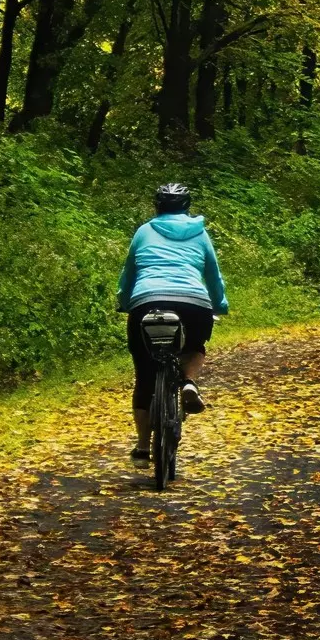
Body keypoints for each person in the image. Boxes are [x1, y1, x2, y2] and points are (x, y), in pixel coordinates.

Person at [117, 183, 229, 463]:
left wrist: (124, 300)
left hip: (147, 301)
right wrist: (220, 304)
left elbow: (129, 272)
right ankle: (189, 382)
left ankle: (143, 448)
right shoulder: (200, 233)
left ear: (157, 206)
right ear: (186, 206)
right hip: (194, 302)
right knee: (194, 345)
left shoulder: (144, 232)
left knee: (145, 374)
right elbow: (213, 275)